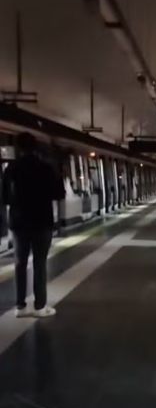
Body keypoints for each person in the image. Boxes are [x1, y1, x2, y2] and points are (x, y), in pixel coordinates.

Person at [2, 133, 65, 318]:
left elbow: (4, 197)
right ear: (35, 147)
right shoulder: (46, 168)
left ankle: (20, 307)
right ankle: (40, 306)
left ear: (18, 147)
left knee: (20, 263)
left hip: (19, 223)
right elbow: (59, 194)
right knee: (39, 263)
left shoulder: (11, 169)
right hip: (42, 222)